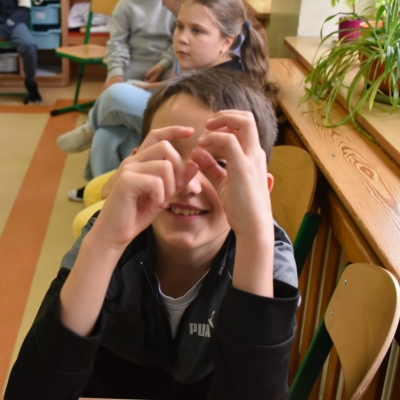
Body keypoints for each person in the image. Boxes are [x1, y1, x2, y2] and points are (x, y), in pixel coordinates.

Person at [5, 68, 299, 399]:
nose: (189, 185)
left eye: (220, 164)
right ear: (133, 166)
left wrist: (255, 235)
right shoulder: (108, 235)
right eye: (168, 157)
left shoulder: (265, 253)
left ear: (260, 192)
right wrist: (105, 243)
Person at [57, 0, 276, 201]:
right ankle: (107, 199)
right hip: (172, 154)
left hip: (188, 180)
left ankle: (90, 132)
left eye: (197, 30)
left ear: (226, 42)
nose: (182, 38)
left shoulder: (224, 87)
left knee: (115, 94)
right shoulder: (202, 63)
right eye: (179, 27)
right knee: (107, 135)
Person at [0, 0, 42, 103]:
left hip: (13, 21)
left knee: (29, 45)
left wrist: (3, 30)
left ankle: (30, 82)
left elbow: (24, 10)